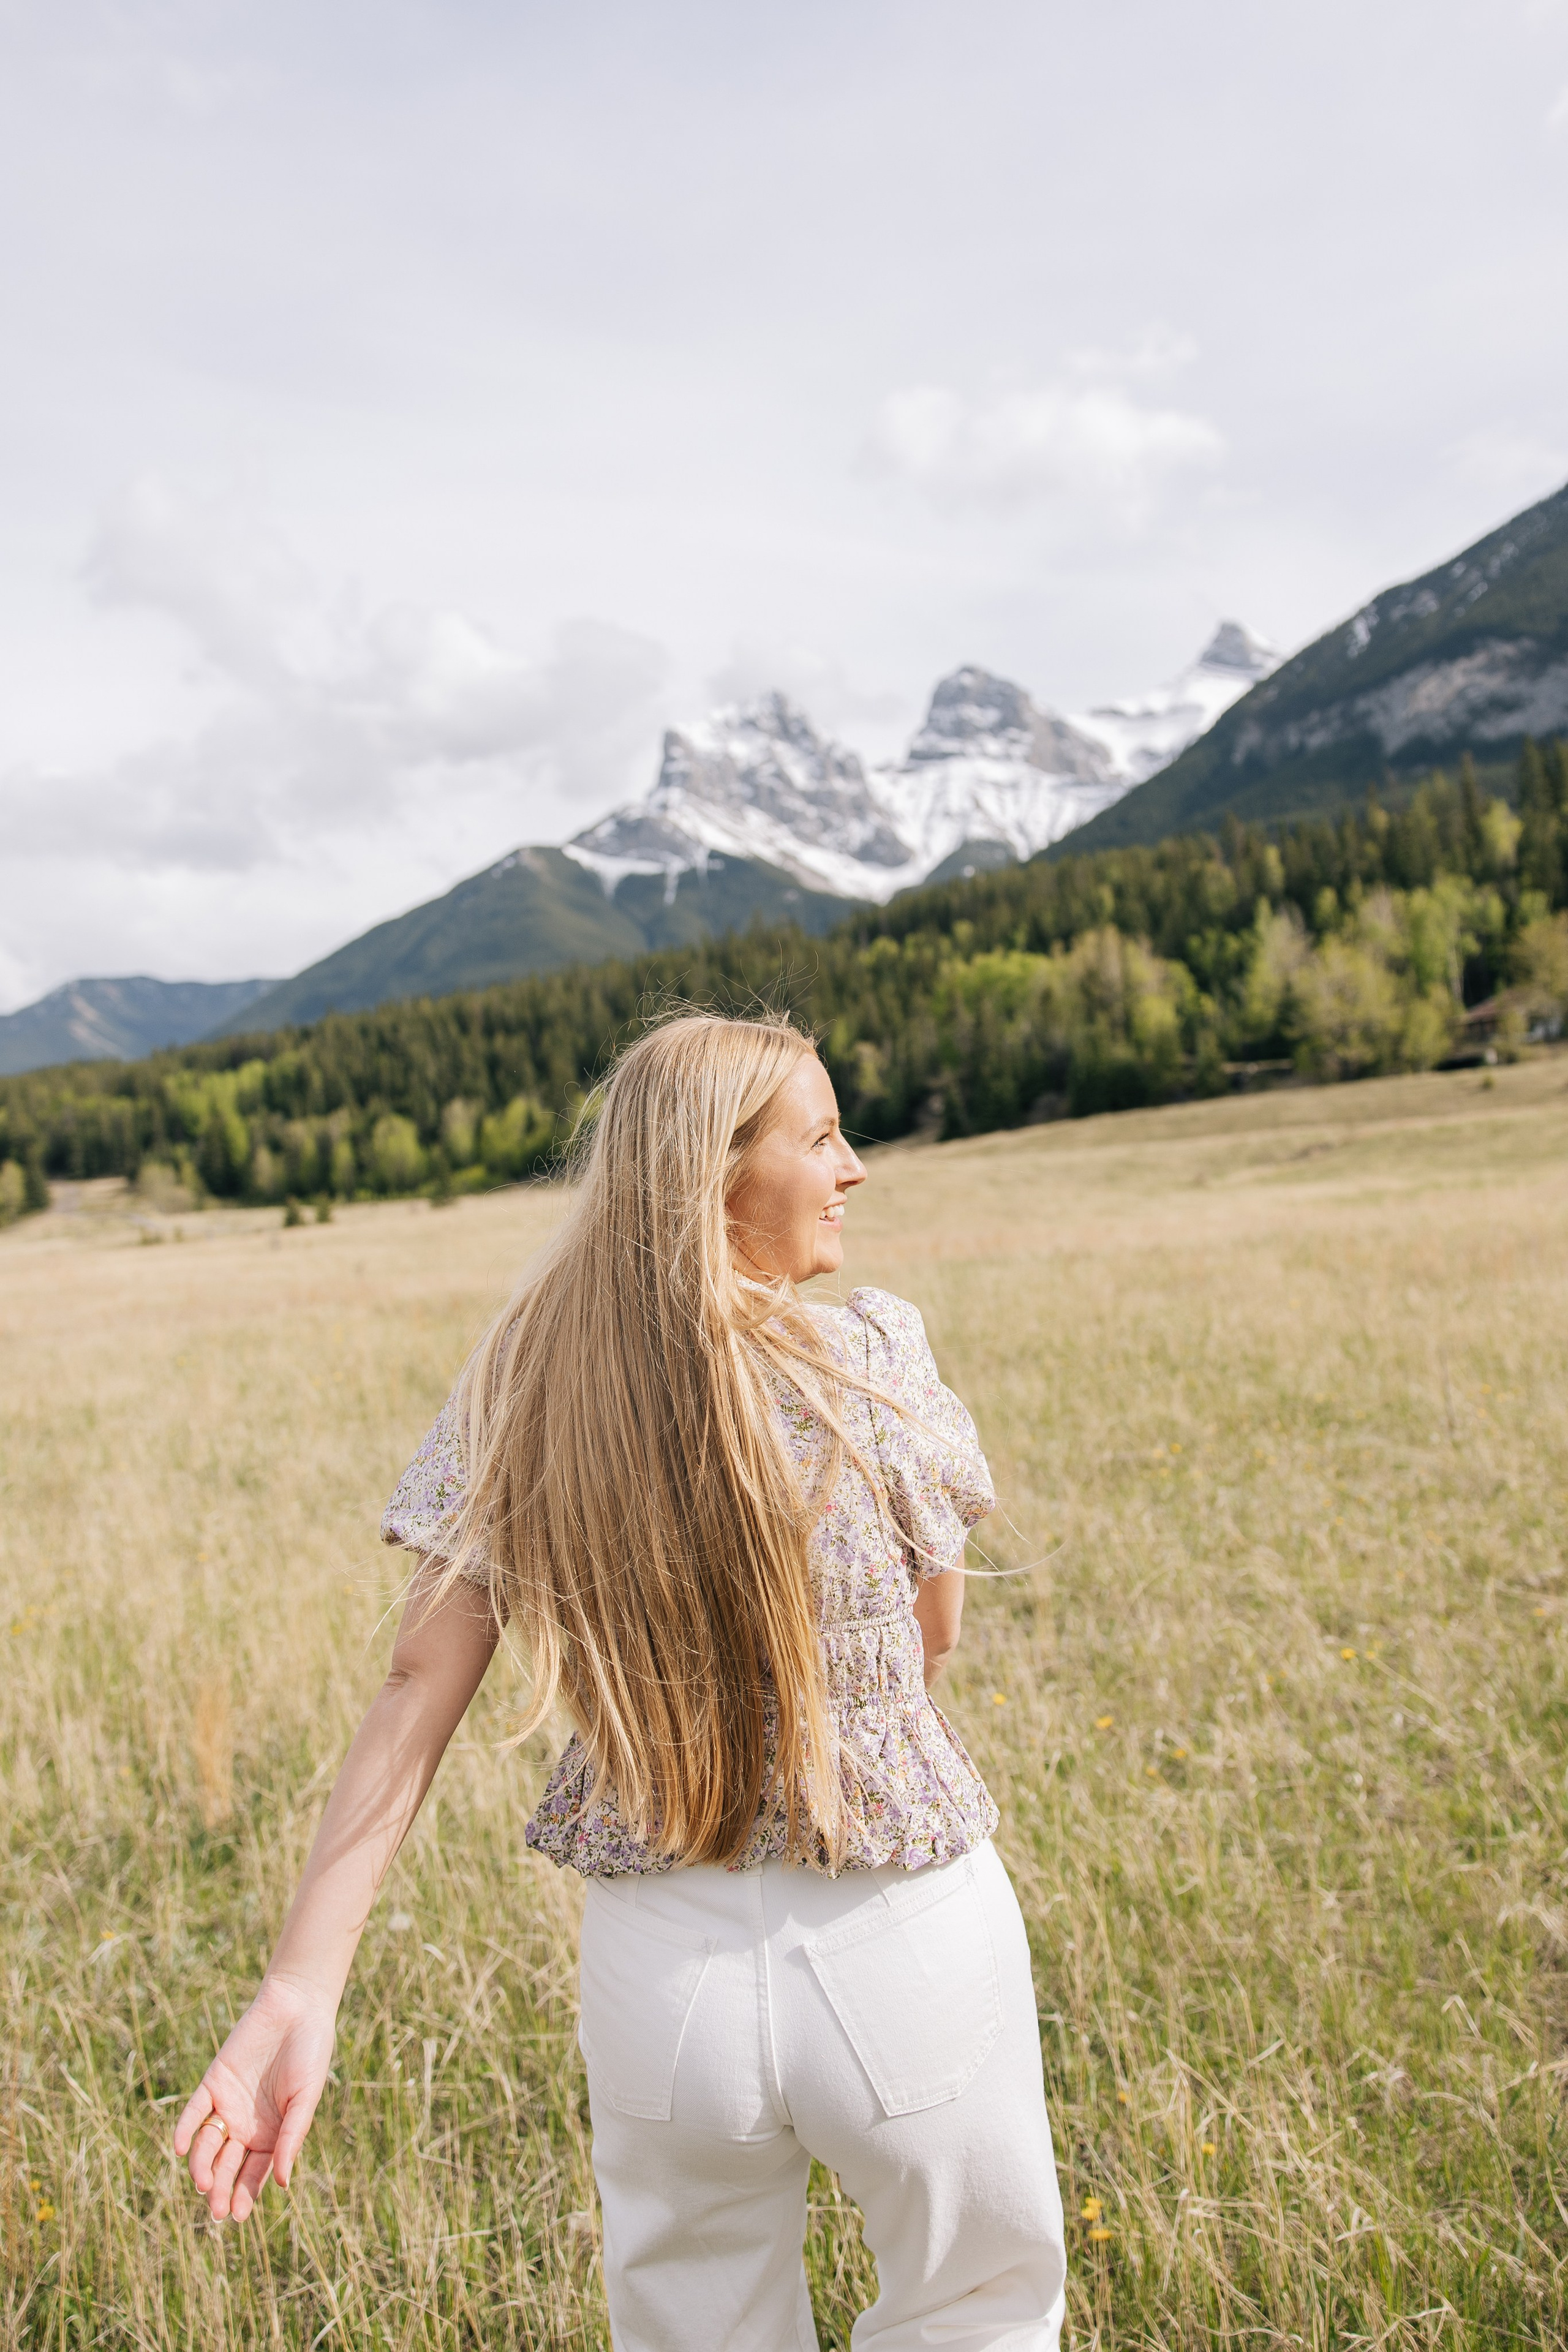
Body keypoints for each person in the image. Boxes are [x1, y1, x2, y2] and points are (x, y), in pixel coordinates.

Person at [175, 1011, 1067, 2350]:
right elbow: (931, 1639)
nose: (854, 1166)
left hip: (663, 1980)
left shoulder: (529, 1379)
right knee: (975, 2311)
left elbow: (420, 1676)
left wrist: (298, 1990)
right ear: (717, 1173)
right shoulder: (872, 1351)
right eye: (821, 1135)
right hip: (896, 1936)